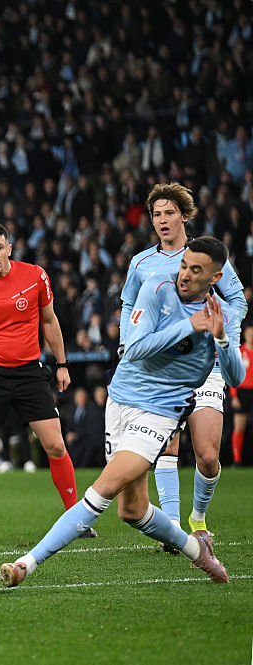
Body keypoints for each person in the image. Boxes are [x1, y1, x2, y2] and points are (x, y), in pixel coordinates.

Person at [0, 237, 240, 587]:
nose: (184, 274)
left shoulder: (225, 315)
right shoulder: (158, 289)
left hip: (159, 413)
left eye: (196, 270)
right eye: (184, 264)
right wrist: (190, 326)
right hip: (121, 401)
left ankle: (27, 563)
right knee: (133, 510)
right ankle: (197, 550)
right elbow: (136, 348)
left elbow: (234, 376)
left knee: (103, 489)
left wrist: (219, 338)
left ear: (215, 278)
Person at [0, 223, 92, 541]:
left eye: (0, 247)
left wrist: (62, 364)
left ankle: (75, 519)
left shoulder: (35, 276)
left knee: (54, 443)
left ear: (9, 248)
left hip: (29, 372)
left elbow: (50, 320)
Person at [118, 183, 247, 549]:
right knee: (167, 446)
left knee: (207, 457)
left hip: (205, 363)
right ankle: (173, 527)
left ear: (184, 216)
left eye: (169, 213)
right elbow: (128, 304)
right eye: (157, 213)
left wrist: (224, 331)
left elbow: (236, 297)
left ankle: (199, 517)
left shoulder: (205, 255)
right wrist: (127, 341)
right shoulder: (141, 263)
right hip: (163, 367)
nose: (162, 220)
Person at [227, 326, 253, 466]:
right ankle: (237, 460)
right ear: (245, 334)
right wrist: (234, 395)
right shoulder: (239, 351)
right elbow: (233, 374)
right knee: (239, 427)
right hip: (242, 392)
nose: (251, 336)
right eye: (249, 333)